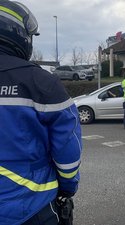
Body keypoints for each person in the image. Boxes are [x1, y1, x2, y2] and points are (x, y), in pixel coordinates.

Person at [0, 1, 82, 224]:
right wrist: (68, 187)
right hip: (30, 207)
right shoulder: (41, 83)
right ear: (17, 32)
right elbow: (67, 152)